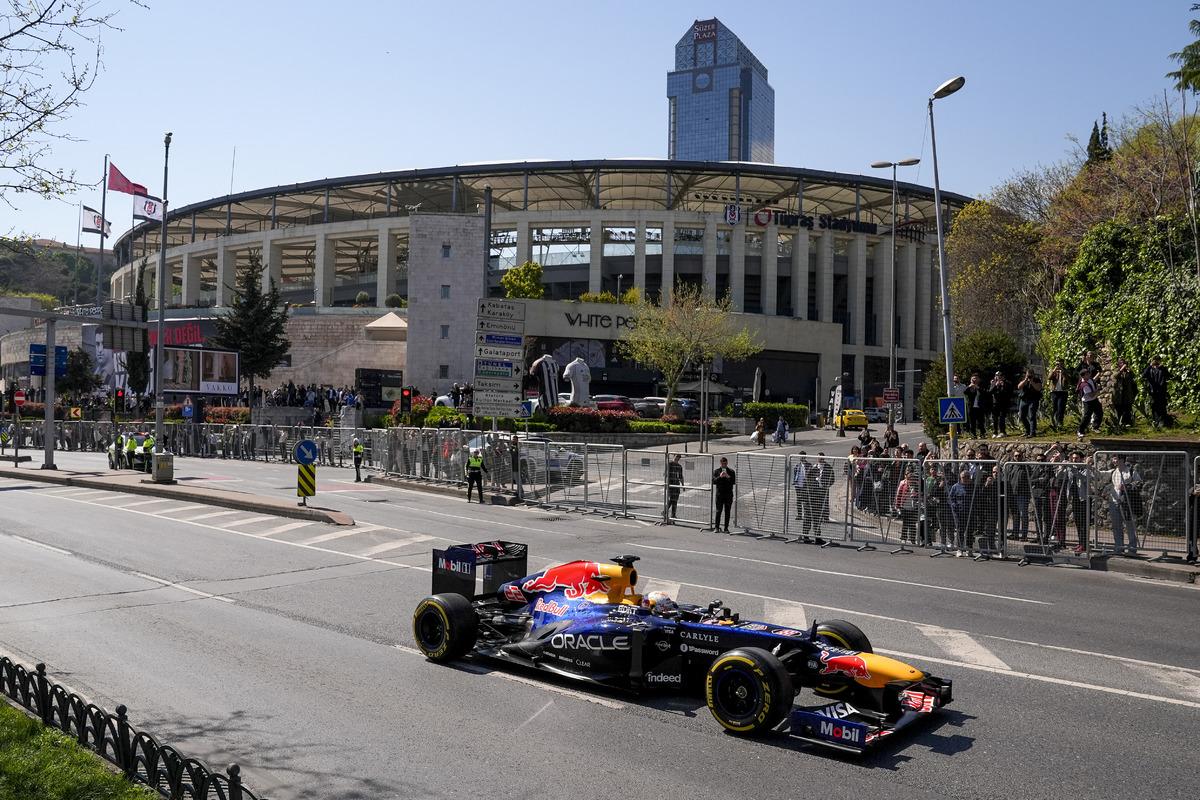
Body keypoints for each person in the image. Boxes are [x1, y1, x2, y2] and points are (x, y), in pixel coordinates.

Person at [894, 466, 921, 545]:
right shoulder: (903, 484)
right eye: (909, 478)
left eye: (912, 478)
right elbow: (899, 494)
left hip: (913, 507)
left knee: (912, 524)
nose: (910, 480)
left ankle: (912, 538)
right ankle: (903, 538)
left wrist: (915, 493)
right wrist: (897, 505)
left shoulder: (916, 485)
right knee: (905, 523)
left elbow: (919, 494)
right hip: (905, 506)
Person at [1142, 356, 1170, 429]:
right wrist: (1150, 366)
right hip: (1153, 391)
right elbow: (1144, 375)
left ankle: (1163, 422)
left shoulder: (1162, 369)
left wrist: (1162, 367)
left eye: (1158, 360)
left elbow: (1168, 375)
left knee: (1162, 407)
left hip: (1161, 391)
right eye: (1155, 360)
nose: (1156, 362)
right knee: (1154, 407)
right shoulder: (1150, 369)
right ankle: (1156, 422)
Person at [712, 457, 736, 532]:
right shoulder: (716, 471)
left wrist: (728, 476)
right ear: (720, 463)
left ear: (727, 463)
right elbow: (714, 481)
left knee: (727, 511)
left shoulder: (731, 471)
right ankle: (716, 527)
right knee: (718, 511)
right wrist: (720, 476)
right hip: (719, 494)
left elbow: (733, 482)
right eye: (723, 464)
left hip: (728, 494)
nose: (724, 465)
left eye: (725, 463)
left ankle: (726, 528)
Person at [1016, 369, 1043, 438]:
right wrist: (1025, 380)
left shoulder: (1037, 380)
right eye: (1028, 374)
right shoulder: (1024, 380)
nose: (1029, 376)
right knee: (1022, 416)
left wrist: (1032, 382)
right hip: (1024, 400)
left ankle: (1032, 433)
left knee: (1032, 416)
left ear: (1033, 374)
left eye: (1031, 374)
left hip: (1033, 400)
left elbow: (1038, 388)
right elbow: (1019, 387)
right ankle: (1027, 430)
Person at [1077, 368, 1102, 438]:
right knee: (1087, 417)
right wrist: (1098, 389)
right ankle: (1080, 431)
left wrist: (1099, 373)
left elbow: (1093, 380)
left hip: (1094, 400)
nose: (1089, 375)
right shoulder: (1084, 385)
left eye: (1088, 373)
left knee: (1099, 412)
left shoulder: (1089, 379)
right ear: (1083, 376)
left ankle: (1095, 427)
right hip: (1088, 402)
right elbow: (1091, 395)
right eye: (1087, 374)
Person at [963, 373, 990, 439]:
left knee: (981, 421)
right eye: (973, 378)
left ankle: (982, 434)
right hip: (972, 407)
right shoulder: (970, 387)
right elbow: (965, 392)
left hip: (980, 406)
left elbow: (986, 393)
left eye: (976, 378)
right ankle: (973, 435)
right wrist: (970, 386)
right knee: (972, 422)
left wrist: (977, 387)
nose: (975, 380)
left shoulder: (982, 386)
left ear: (979, 379)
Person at [1111, 359, 1136, 429]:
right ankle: (1119, 424)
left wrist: (1128, 371)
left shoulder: (1128, 371)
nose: (1124, 364)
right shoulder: (1116, 370)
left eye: (1124, 363)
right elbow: (1115, 376)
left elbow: (1132, 379)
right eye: (1122, 363)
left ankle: (1127, 423)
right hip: (1118, 395)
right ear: (1119, 364)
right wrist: (1121, 370)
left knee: (1127, 409)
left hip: (1127, 395)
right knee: (1119, 409)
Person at [1048, 360, 1069, 431]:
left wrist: (1062, 372)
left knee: (1060, 408)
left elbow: (1068, 379)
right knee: (1054, 408)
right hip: (1054, 392)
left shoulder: (1065, 370)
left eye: (1060, 364)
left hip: (1063, 392)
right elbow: (1049, 378)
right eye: (1057, 364)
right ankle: (1054, 422)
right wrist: (1054, 371)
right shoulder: (1054, 371)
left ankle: (1060, 423)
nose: (1058, 366)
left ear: (1063, 364)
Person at [988, 371, 1010, 438]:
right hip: (995, 403)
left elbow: (1007, 392)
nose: (999, 377)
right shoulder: (993, 383)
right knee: (995, 418)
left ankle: (1002, 432)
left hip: (1003, 403)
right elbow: (990, 391)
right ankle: (995, 432)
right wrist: (995, 385)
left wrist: (1003, 385)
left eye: (1000, 376)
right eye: (997, 376)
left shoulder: (1006, 383)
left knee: (1001, 418)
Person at [667, 453, 684, 519]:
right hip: (670, 484)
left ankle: (673, 514)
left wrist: (683, 485)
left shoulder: (679, 466)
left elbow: (680, 476)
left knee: (675, 500)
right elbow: (665, 474)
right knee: (672, 499)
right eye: (676, 456)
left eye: (679, 457)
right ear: (673, 456)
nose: (677, 458)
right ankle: (665, 511)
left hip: (676, 484)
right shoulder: (669, 464)